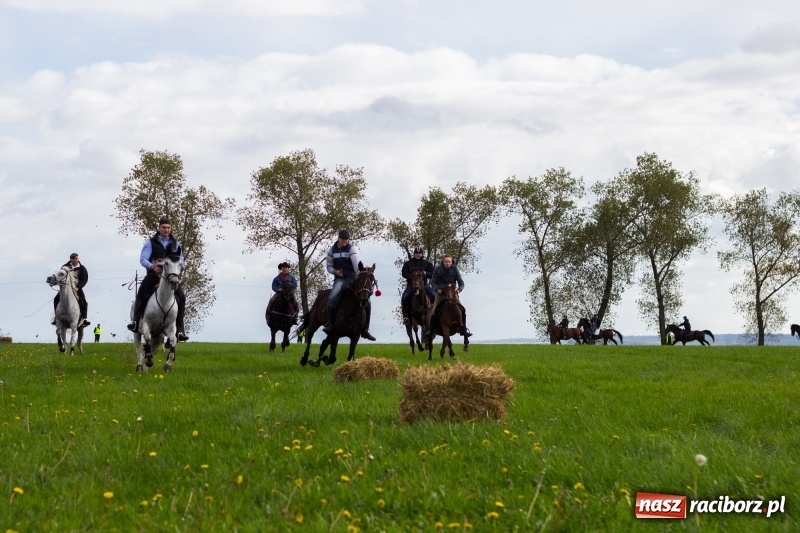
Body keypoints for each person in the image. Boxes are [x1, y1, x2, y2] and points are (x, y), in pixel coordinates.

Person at [126, 217, 189, 341]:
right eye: (164, 227)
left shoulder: (176, 244)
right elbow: (143, 259)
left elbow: (181, 259)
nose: (166, 230)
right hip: (154, 274)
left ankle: (180, 330)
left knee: (181, 296)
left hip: (170, 276)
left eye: (168, 228)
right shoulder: (150, 243)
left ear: (171, 229)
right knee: (142, 291)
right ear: (159, 228)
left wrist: (177, 265)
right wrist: (153, 266)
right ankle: (136, 322)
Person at [322, 229, 376, 341]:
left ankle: (365, 330)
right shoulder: (332, 250)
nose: (345, 241)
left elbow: (356, 266)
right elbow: (328, 266)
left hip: (352, 278)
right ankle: (329, 324)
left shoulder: (352, 249)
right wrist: (335, 272)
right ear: (338, 238)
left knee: (368, 302)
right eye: (343, 239)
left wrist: (359, 277)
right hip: (340, 279)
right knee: (332, 298)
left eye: (346, 239)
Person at [429, 254, 472, 337]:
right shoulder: (438, 269)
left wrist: (458, 290)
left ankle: (464, 329)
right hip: (441, 294)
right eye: (446, 261)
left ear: (451, 262)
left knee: (462, 309)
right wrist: (437, 290)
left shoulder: (455, 269)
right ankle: (431, 330)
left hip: (452, 294)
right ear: (443, 262)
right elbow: (433, 282)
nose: (447, 263)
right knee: (434, 310)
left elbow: (461, 283)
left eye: (449, 261)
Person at [52, 252, 91, 327]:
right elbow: (60, 276)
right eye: (75, 258)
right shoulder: (65, 267)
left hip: (77, 288)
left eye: (77, 258)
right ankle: (56, 318)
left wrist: (78, 287)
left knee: (83, 301)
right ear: (71, 259)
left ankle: (84, 319)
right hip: (66, 288)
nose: (76, 260)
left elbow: (84, 279)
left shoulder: (82, 268)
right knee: (56, 299)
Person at [400, 246, 435, 324]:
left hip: (424, 285)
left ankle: (435, 315)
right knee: (404, 297)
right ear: (414, 254)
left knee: (434, 295)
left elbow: (432, 273)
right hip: (411, 286)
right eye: (416, 253)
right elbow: (404, 273)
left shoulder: (427, 264)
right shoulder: (408, 264)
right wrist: (411, 277)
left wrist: (425, 273)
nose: (418, 255)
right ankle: (406, 317)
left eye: (419, 253)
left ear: (422, 254)